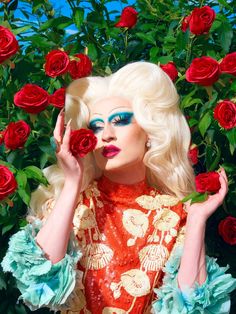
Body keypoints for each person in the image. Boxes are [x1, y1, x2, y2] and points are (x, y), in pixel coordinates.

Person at [1, 61, 236, 314]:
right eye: (96, 126)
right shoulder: (75, 204)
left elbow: (191, 307)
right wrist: (71, 183)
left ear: (149, 130)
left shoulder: (176, 213)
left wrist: (197, 219)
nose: (106, 135)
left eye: (120, 120)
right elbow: (39, 280)